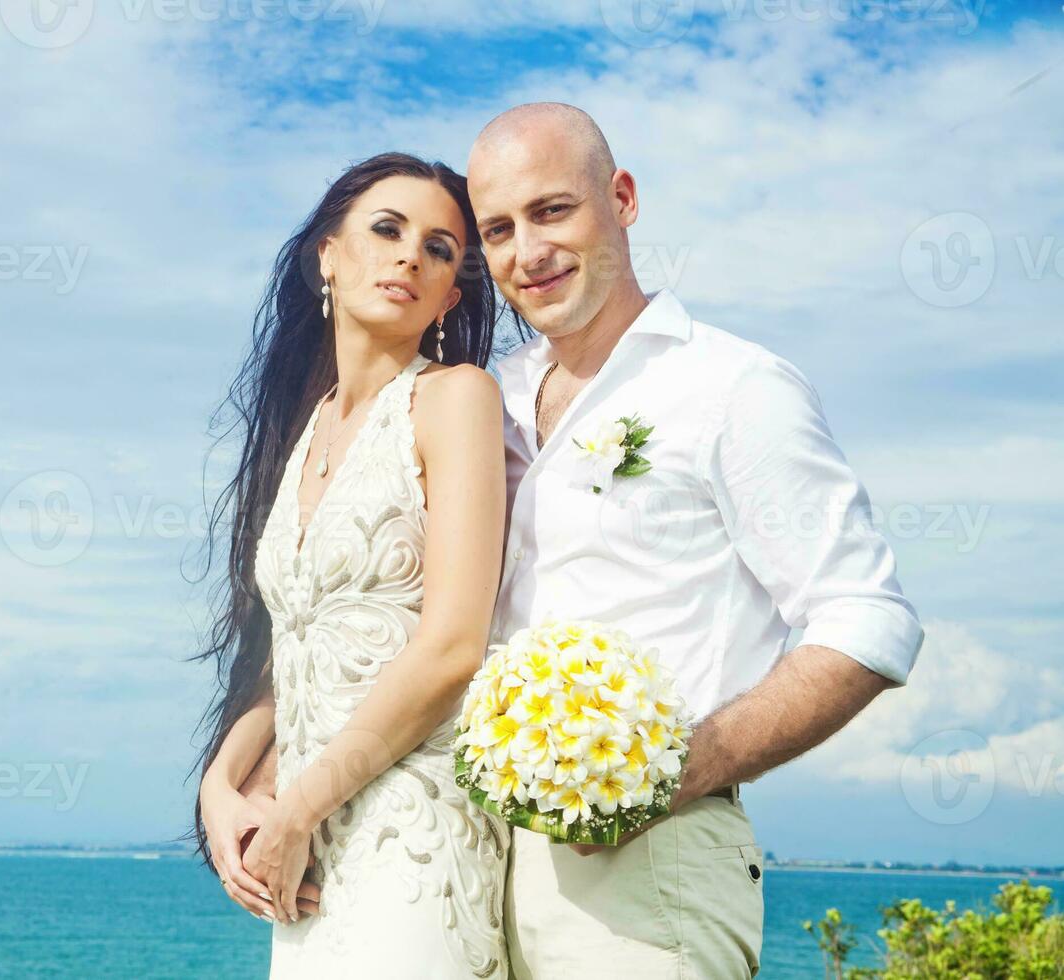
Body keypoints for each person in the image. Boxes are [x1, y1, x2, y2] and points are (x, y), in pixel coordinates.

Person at [465, 102, 924, 978]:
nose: (528, 252)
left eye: (552, 210)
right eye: (498, 229)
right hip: (485, 874)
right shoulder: (492, 401)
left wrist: (677, 769)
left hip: (654, 871)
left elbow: (868, 619)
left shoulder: (733, 386)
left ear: (623, 199)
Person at [192, 152, 515, 978]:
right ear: (327, 255)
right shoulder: (300, 432)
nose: (412, 254)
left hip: (411, 831)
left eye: (441, 249)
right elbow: (286, 650)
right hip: (303, 857)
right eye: (387, 229)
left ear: (450, 296)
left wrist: (298, 808)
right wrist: (221, 790)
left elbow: (451, 646)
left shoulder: (456, 398)